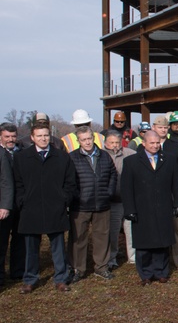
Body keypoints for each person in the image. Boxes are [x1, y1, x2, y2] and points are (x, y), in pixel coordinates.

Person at [13, 123, 78, 293]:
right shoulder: (22, 158)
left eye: (46, 135)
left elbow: (70, 182)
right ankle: (30, 279)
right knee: (31, 248)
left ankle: (61, 279)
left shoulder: (62, 157)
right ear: (32, 138)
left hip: (55, 208)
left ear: (50, 137)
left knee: (58, 247)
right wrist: (22, 201)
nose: (43, 139)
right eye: (39, 136)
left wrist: (64, 200)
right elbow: (18, 183)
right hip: (31, 209)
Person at [121, 129, 178, 285]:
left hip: (163, 206)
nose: (155, 146)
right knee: (144, 243)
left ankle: (161, 271)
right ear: (144, 144)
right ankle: (146, 274)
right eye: (152, 143)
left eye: (157, 143)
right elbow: (126, 188)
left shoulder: (169, 159)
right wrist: (129, 209)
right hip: (142, 208)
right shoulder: (131, 162)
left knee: (163, 242)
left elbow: (176, 184)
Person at [68, 127, 118, 282]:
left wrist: (108, 192)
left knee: (102, 237)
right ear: (78, 141)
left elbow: (113, 175)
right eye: (83, 139)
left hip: (102, 203)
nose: (87, 142)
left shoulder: (104, 156)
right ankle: (78, 269)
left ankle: (101, 267)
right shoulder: (72, 158)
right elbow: (69, 180)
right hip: (81, 205)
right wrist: (77, 196)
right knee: (78, 238)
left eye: (89, 138)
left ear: (93, 138)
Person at [152, 114, 178, 272]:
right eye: (159, 127)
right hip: (153, 193)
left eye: (164, 127)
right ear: (153, 128)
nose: (162, 130)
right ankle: (159, 261)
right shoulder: (145, 145)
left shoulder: (175, 146)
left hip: (173, 192)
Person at [104, 131, 136, 271]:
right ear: (106, 143)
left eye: (117, 142)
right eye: (111, 143)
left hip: (128, 200)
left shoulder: (130, 154)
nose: (114, 145)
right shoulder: (102, 156)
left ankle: (133, 257)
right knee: (113, 231)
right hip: (113, 201)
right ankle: (112, 257)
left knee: (131, 230)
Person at [0, 122, 24, 285]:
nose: (11, 139)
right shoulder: (1, 153)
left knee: (20, 238)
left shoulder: (21, 151)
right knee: (1, 242)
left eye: (13, 136)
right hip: (4, 205)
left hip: (20, 203)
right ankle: (1, 275)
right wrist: (5, 205)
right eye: (7, 136)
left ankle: (17, 271)